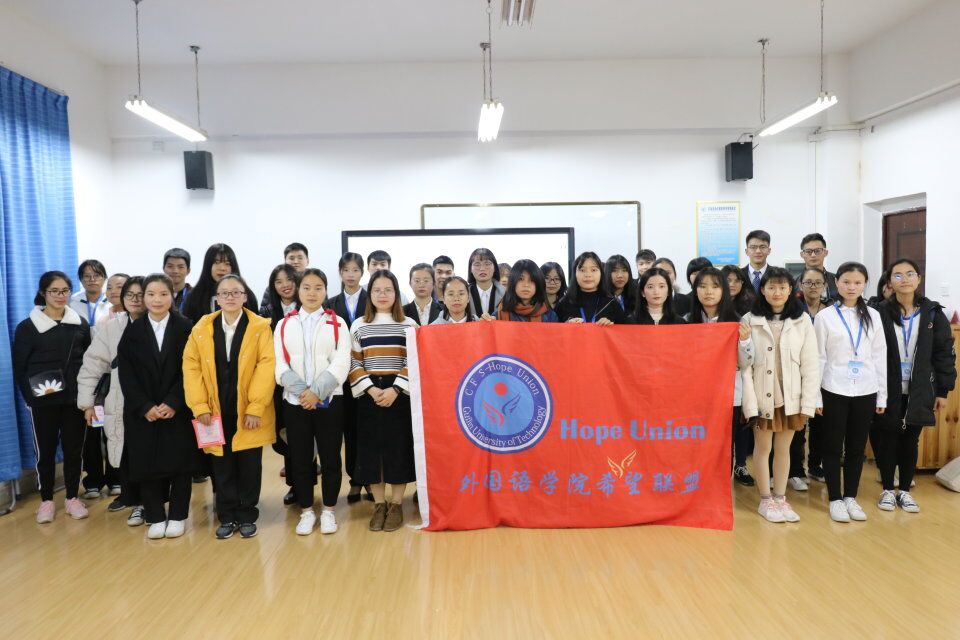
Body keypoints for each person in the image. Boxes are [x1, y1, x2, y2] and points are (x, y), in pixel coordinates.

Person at [184, 274, 277, 540]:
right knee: (221, 466)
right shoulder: (202, 327)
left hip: (248, 410)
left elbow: (266, 366)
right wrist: (200, 406)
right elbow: (191, 368)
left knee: (250, 465)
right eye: (224, 293)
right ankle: (226, 516)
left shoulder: (260, 327)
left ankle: (247, 515)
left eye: (236, 292)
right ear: (217, 298)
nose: (230, 297)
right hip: (214, 410)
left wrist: (255, 407)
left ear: (245, 296)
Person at [117, 274, 197, 540]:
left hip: (177, 409)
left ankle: (178, 515)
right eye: (150, 294)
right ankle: (155, 516)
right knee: (146, 463)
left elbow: (191, 369)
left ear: (172, 296)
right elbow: (127, 374)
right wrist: (144, 406)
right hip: (144, 412)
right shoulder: (133, 331)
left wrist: (174, 401)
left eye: (163, 294)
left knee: (181, 464)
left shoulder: (186, 327)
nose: (157, 300)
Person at [873, 258, 956, 514]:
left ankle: (905, 492)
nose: (904, 279)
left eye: (910, 274)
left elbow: (944, 354)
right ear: (890, 282)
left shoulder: (933, 313)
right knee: (887, 438)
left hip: (920, 387)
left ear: (918, 279)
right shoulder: (879, 312)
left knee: (911, 440)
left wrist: (943, 391)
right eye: (897, 275)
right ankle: (888, 489)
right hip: (887, 386)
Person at [274, 269, 352, 535]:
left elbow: (342, 362)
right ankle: (306, 511)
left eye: (318, 287)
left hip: (329, 402)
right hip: (296, 403)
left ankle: (329, 510)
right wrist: (303, 393)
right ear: (298, 290)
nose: (312, 292)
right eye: (306, 287)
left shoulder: (337, 323)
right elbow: (280, 365)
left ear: (326, 291)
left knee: (331, 458)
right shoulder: (284, 324)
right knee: (300, 458)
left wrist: (317, 392)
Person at [741, 267, 819, 524]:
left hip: (791, 396)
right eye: (771, 287)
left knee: (785, 449)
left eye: (782, 287)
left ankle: (780, 497)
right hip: (763, 395)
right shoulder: (749, 319)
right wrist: (744, 342)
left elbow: (811, 364)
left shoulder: (802, 320)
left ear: (790, 291)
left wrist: (808, 402)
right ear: (762, 290)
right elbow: (744, 365)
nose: (777, 292)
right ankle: (765, 500)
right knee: (763, 448)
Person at [14, 271, 92, 524]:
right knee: (45, 452)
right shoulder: (27, 327)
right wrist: (31, 399)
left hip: (74, 400)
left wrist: (88, 397)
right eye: (54, 291)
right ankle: (46, 500)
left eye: (65, 291)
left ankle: (72, 497)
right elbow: (20, 368)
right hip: (43, 401)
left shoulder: (79, 324)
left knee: (74, 450)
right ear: (43, 293)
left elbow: (89, 362)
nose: (60, 296)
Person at [814, 262, 887, 523]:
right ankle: (835, 498)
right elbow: (819, 358)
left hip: (866, 389)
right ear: (837, 283)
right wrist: (815, 396)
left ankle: (850, 497)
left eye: (857, 282)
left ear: (865, 284)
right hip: (833, 388)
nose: (852, 287)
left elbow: (879, 357)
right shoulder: (825, 317)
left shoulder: (874, 315)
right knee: (832, 446)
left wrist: (882, 395)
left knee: (857, 448)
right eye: (846, 282)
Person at [348, 270, 419, 532]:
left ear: (396, 294)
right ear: (370, 294)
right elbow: (354, 362)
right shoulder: (359, 325)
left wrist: (395, 389)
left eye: (388, 290)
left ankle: (396, 505)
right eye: (377, 290)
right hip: (370, 395)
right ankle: (379, 504)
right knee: (372, 451)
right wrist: (370, 390)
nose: (382, 294)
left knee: (398, 450)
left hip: (398, 395)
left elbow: (414, 361)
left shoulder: (409, 325)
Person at [77, 276, 146, 525]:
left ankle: (150, 503)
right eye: (130, 295)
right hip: (120, 399)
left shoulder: (160, 324)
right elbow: (92, 364)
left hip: (152, 402)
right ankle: (134, 501)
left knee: (149, 454)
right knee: (124, 451)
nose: (135, 300)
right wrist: (87, 403)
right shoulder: (112, 327)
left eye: (141, 295)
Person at [685, 267, 754, 486]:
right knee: (698, 442)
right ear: (695, 290)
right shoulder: (686, 322)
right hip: (695, 396)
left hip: (728, 395)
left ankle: (721, 489)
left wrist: (745, 341)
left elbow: (746, 363)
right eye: (703, 286)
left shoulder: (736, 322)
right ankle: (697, 486)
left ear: (724, 290)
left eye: (715, 286)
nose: (708, 292)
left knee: (725, 444)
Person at [325, 252, 373, 504]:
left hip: (369, 374)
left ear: (362, 272)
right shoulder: (330, 303)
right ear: (340, 273)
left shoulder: (372, 299)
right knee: (349, 432)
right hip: (342, 379)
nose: (351, 275)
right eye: (346, 270)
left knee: (369, 431)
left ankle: (371, 480)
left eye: (355, 270)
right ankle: (355, 481)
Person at [81, 272, 129, 499]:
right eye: (110, 287)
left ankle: (117, 479)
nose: (113, 291)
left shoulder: (137, 319)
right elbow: (96, 359)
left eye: (119, 287)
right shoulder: (102, 320)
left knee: (119, 431)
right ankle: (94, 480)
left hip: (124, 386)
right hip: (103, 386)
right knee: (98, 431)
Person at [260, 263, 300, 504]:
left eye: (289, 280)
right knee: (284, 433)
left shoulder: (307, 307)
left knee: (303, 434)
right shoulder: (266, 312)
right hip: (276, 382)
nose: (285, 285)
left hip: (304, 380)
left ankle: (303, 485)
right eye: (278, 282)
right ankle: (293, 482)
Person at [792, 266, 831, 487]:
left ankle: (815, 465)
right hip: (798, 372)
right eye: (808, 282)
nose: (813, 286)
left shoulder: (831, 310)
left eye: (818, 282)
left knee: (821, 424)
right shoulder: (793, 309)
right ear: (800, 285)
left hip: (825, 374)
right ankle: (796, 470)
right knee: (799, 423)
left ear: (825, 285)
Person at [181, 243, 257, 324]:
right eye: (216, 262)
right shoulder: (194, 297)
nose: (222, 268)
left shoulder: (246, 295)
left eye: (227, 264)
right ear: (208, 266)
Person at [555, 252, 626, 325]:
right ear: (575, 274)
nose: (588, 275)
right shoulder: (563, 304)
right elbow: (552, 329)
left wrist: (611, 327)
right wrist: (566, 326)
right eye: (582, 270)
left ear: (601, 273)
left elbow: (625, 330)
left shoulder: (612, 304)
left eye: (593, 270)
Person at [259, 243, 310, 310]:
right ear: (285, 261)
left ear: (307, 261)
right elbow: (264, 312)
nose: (296, 261)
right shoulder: (273, 288)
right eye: (291, 258)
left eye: (300, 258)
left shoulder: (315, 283)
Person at [70, 259, 111, 336]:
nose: (92, 279)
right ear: (81, 280)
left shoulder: (112, 302)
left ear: (104, 278)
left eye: (97, 275)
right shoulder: (72, 303)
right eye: (87, 276)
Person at [467, 248, 505, 320]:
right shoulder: (464, 294)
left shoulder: (506, 294)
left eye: (487, 264)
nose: (482, 269)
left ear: (494, 267)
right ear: (470, 269)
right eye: (477, 264)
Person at [797, 233, 838, 300]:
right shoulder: (793, 283)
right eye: (808, 251)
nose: (813, 255)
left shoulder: (837, 281)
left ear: (825, 252)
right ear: (802, 254)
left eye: (817, 251)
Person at [163, 248, 192, 313]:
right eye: (170, 266)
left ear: (188, 271)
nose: (175, 271)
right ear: (163, 269)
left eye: (180, 267)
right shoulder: (155, 295)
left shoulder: (196, 296)